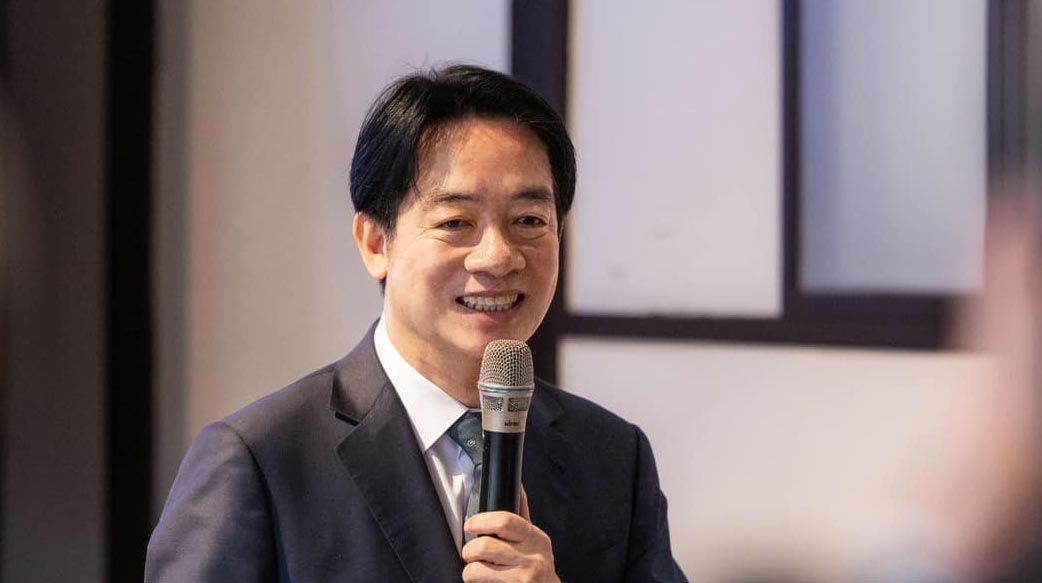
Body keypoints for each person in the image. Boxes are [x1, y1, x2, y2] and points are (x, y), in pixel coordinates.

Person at [145, 64, 687, 583]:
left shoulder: (612, 456)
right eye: (456, 222)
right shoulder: (260, 458)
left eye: (528, 220)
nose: (498, 257)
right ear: (375, 243)